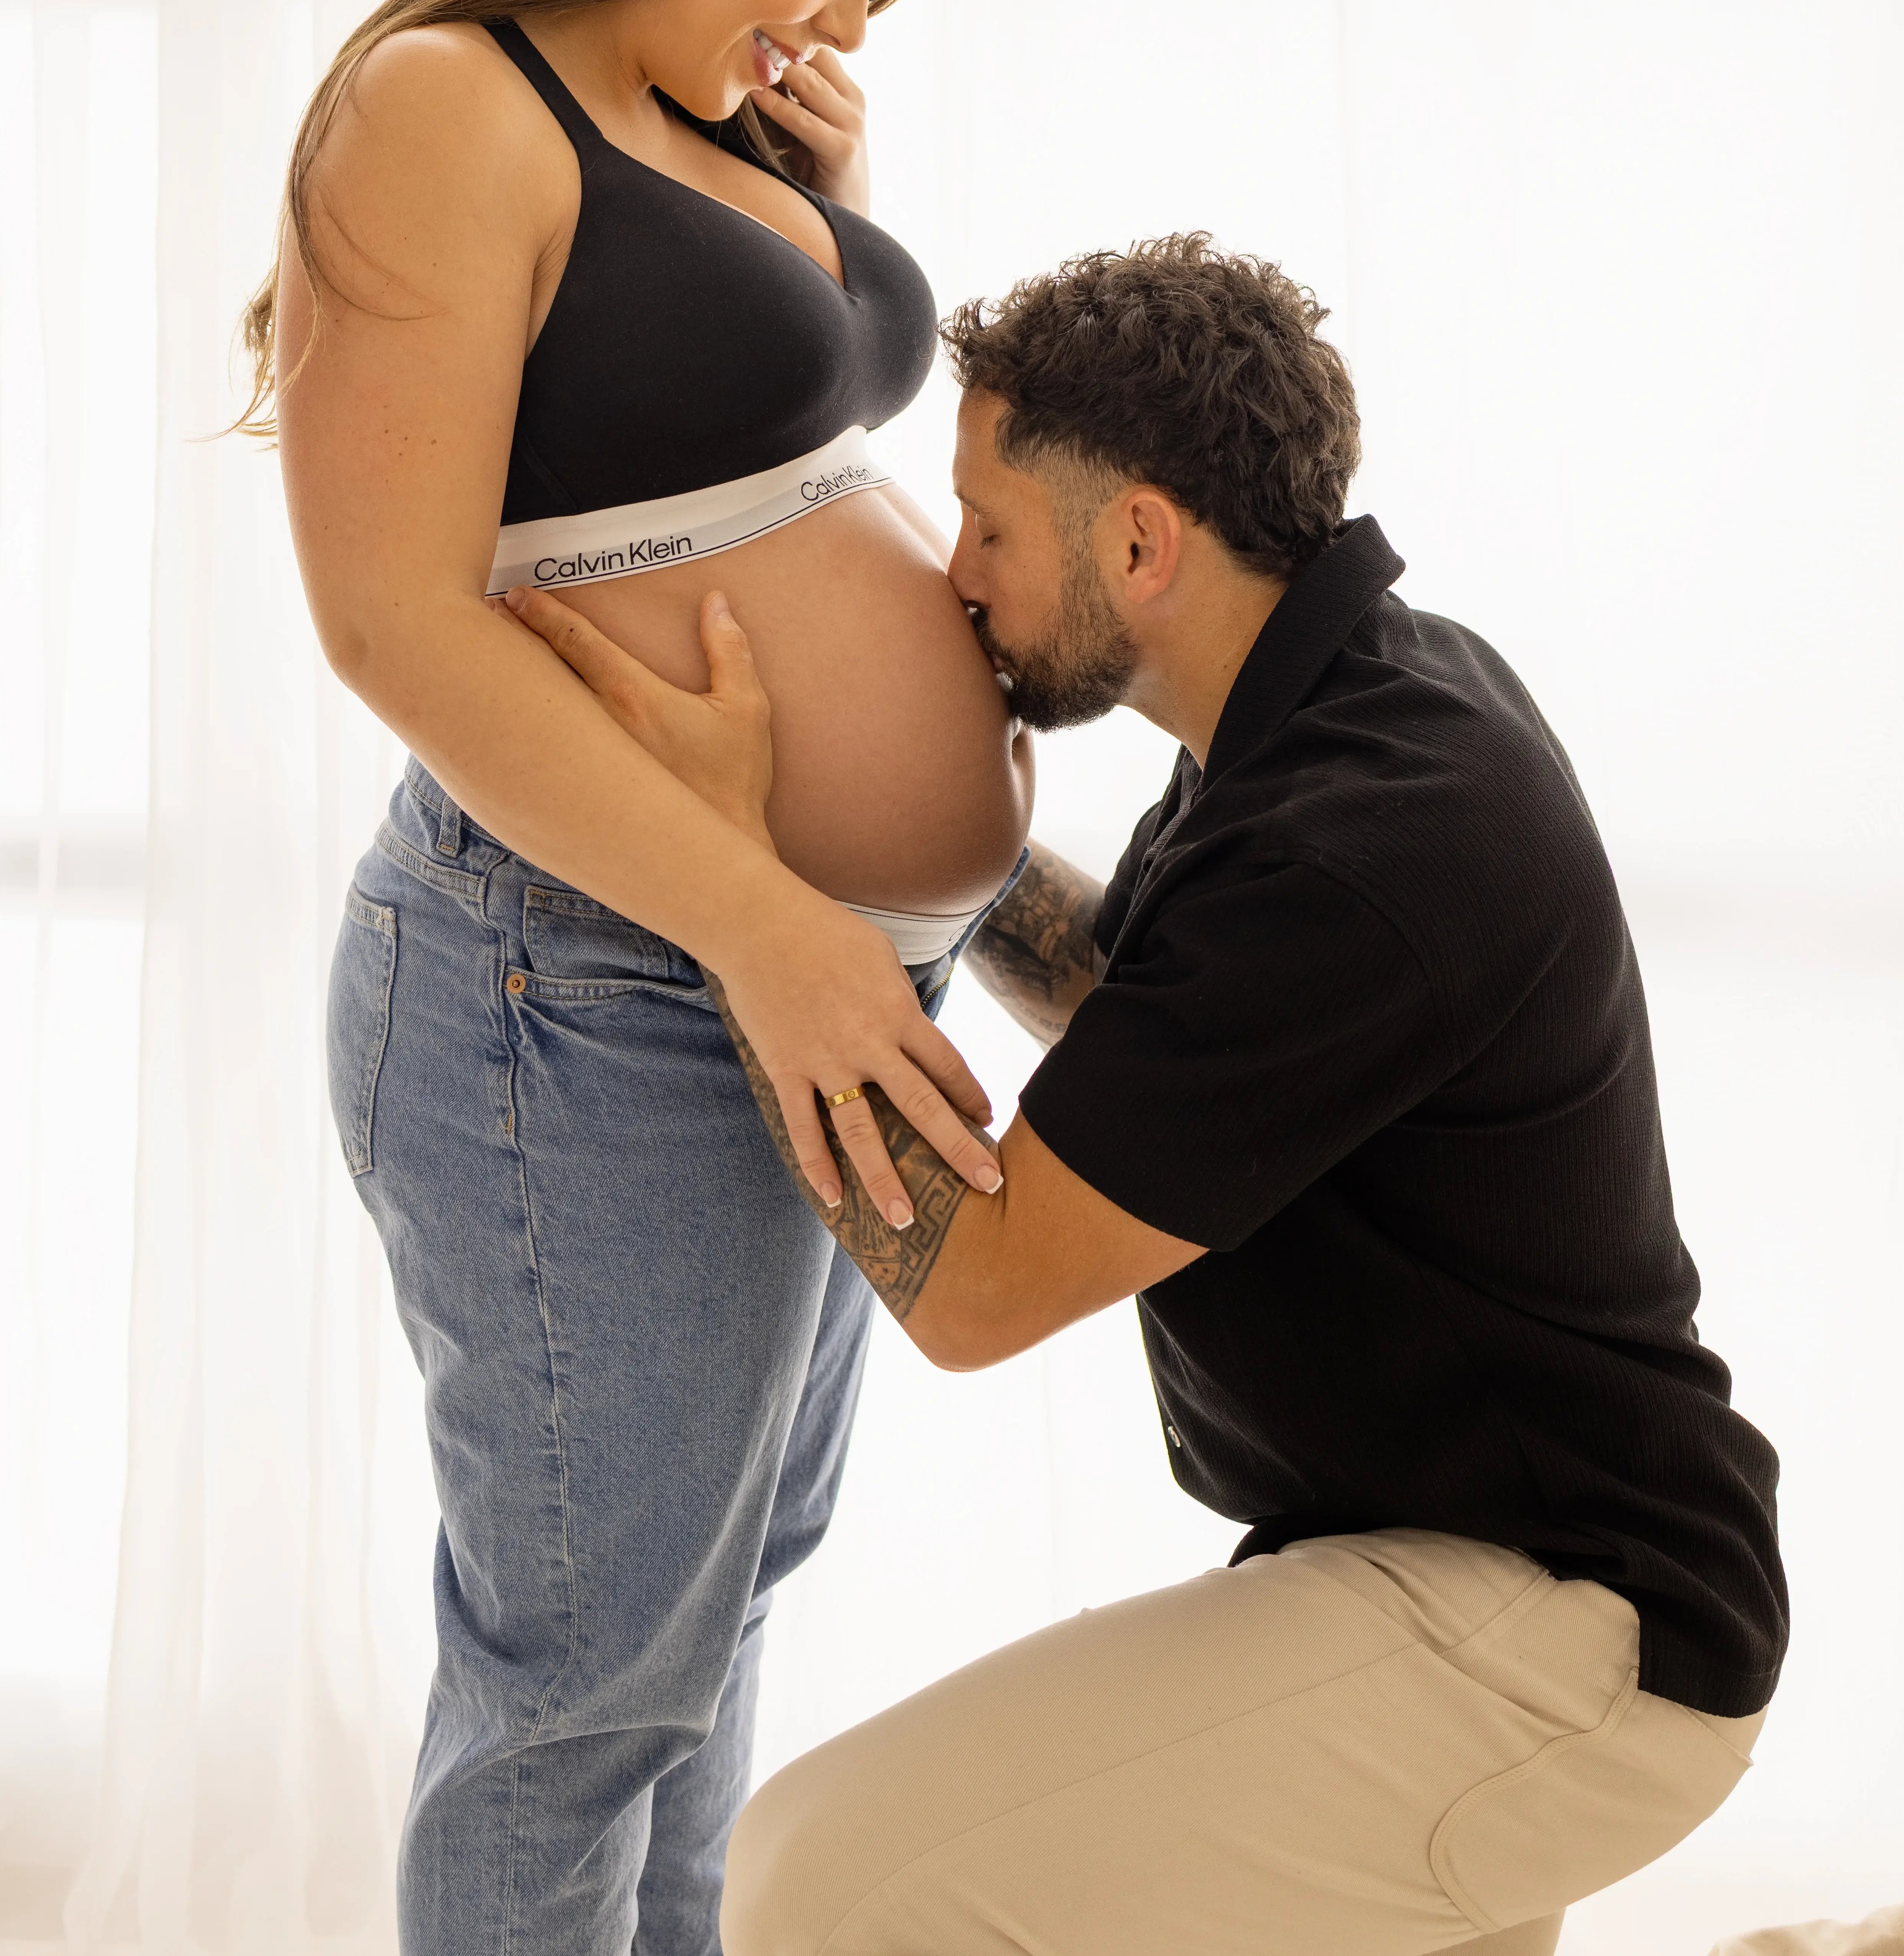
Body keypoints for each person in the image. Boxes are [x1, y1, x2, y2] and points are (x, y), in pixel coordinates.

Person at [503, 230, 1795, 1956]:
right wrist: (882, 828)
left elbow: (974, 1285)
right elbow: (1151, 1004)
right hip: (1467, 1567)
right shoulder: (1338, 713)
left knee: (817, 1878)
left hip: (1559, 1630)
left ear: (1137, 539)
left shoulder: (1363, 845)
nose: (951, 576)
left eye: (987, 529)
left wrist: (739, 890)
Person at [258, 0, 1034, 1956]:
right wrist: (764, 915)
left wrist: (832, 195)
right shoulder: (438, 101)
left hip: (779, 963)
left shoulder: (708, 126)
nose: (850, 17)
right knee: (581, 1687)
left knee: (703, 1646)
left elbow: (749, 462)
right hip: (586, 977)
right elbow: (392, 618)